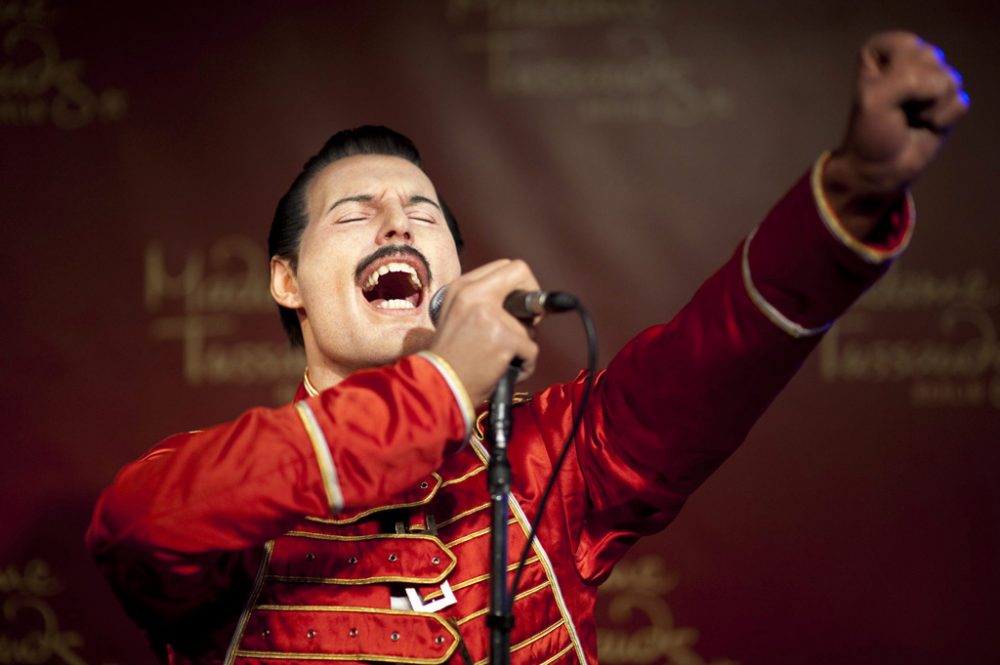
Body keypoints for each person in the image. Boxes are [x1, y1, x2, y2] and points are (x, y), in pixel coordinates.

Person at [86, 31, 967, 665]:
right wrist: (436, 387)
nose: (397, 219)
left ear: (454, 276)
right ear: (287, 282)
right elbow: (139, 526)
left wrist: (849, 195)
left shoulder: (551, 460)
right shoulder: (223, 490)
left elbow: (718, 353)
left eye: (424, 215)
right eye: (355, 214)